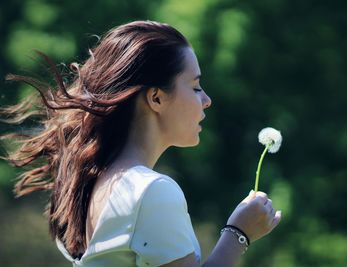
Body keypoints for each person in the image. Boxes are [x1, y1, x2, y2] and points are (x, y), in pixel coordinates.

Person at [0, 20, 281, 267]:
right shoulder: (152, 192)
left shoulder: (91, 180)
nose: (207, 100)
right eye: (195, 87)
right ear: (156, 98)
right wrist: (238, 234)